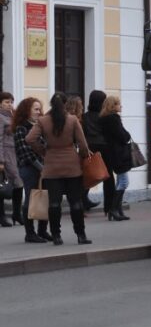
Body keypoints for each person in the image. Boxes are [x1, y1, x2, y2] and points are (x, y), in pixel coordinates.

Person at [25, 92, 91, 245]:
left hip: (51, 167)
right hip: (72, 166)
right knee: (76, 203)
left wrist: (43, 150)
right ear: (65, 104)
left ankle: (56, 236)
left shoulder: (42, 121)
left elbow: (29, 139)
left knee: (54, 203)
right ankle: (81, 235)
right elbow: (83, 145)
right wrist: (82, 156)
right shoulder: (73, 120)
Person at [12, 97, 52, 243]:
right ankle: (30, 233)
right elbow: (25, 153)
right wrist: (42, 168)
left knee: (44, 198)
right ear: (26, 110)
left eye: (40, 109)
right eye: (35, 109)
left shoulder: (40, 126)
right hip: (29, 168)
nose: (39, 111)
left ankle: (42, 231)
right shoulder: (21, 127)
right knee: (31, 199)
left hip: (44, 168)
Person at [99, 95, 133, 221]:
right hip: (118, 154)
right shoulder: (114, 119)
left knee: (119, 181)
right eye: (118, 103)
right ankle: (114, 209)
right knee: (124, 182)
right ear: (112, 106)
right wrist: (127, 135)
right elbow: (123, 136)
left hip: (109, 153)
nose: (121, 106)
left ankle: (118, 210)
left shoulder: (103, 119)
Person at [83, 90, 115, 215]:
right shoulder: (105, 117)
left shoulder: (84, 116)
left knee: (88, 174)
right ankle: (109, 207)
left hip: (90, 147)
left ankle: (83, 200)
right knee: (108, 176)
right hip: (105, 148)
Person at [66, 95, 100, 212]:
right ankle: (79, 203)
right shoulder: (72, 118)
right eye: (80, 104)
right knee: (78, 179)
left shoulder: (81, 118)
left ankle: (83, 201)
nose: (82, 106)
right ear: (75, 106)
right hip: (75, 152)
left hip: (81, 151)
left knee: (85, 177)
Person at [0, 92, 23, 227]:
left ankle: (16, 213)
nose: (10, 104)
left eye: (11, 102)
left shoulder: (13, 116)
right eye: (6, 102)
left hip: (16, 153)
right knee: (5, 185)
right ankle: (3, 216)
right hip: (6, 154)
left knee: (17, 183)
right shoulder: (1, 117)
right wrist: (1, 160)